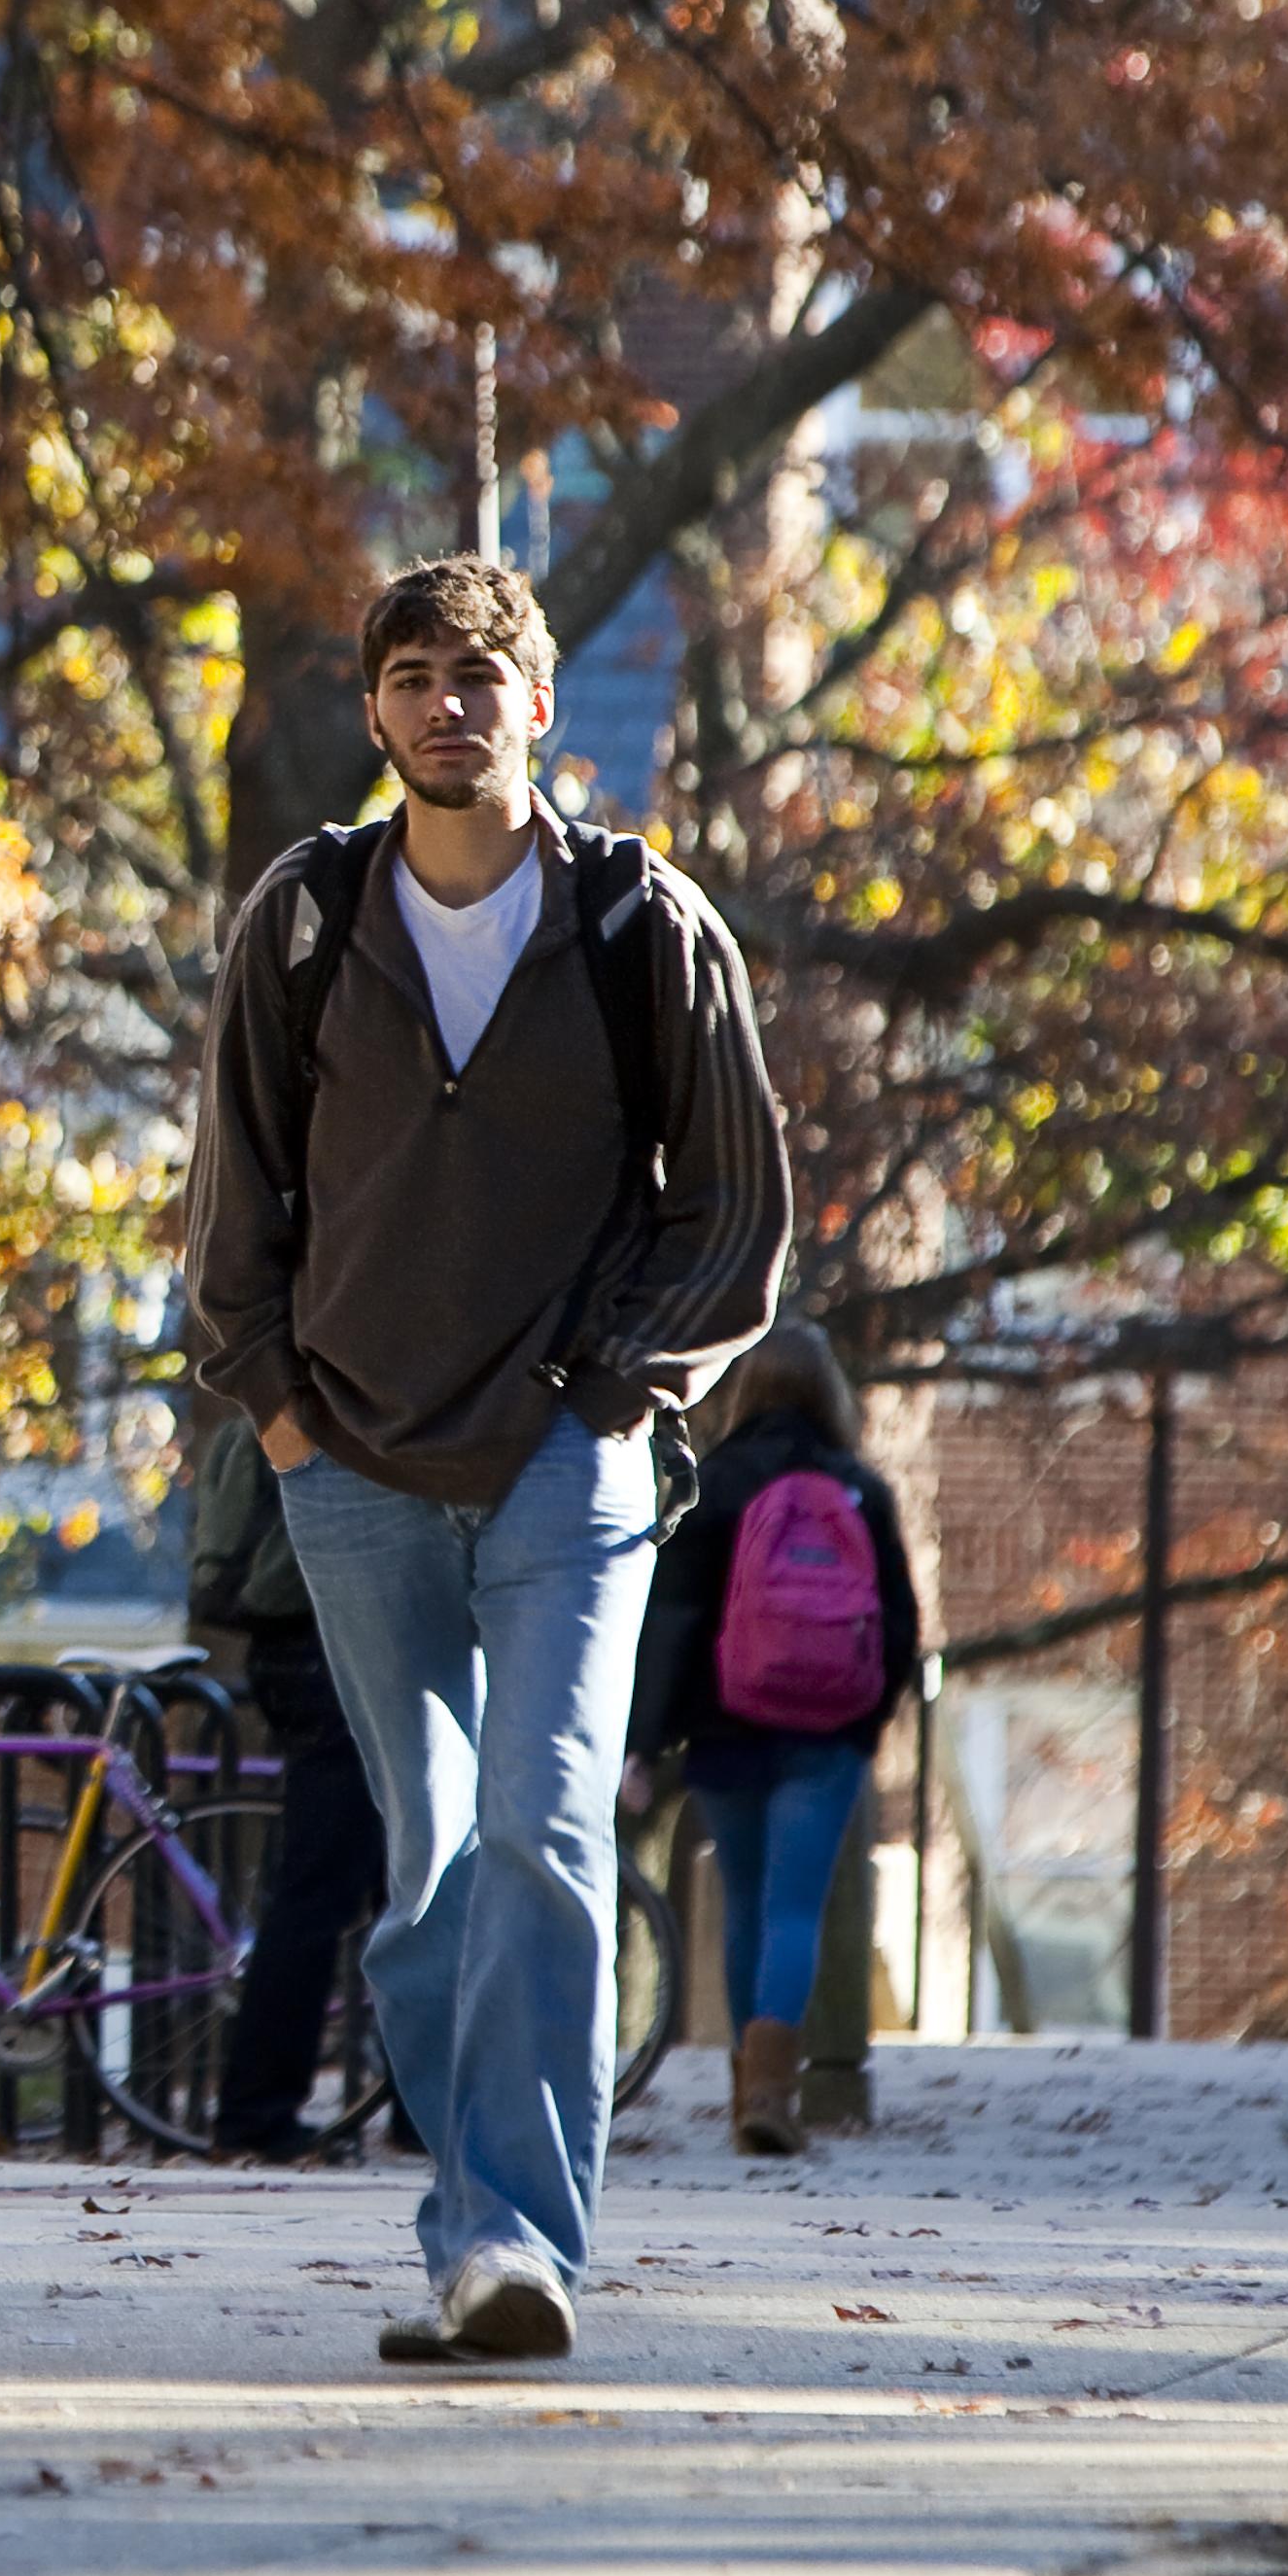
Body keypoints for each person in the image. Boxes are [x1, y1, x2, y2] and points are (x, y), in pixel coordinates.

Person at [183, 557, 790, 2365]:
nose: (447, 704)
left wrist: (617, 1394)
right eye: (412, 677)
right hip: (350, 1463)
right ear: (372, 714)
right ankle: (468, 2217)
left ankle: (507, 2245)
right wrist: (277, 1411)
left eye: (480, 676)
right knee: (429, 1861)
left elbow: (733, 1214)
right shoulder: (301, 920)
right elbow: (229, 1203)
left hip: (561, 1462)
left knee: (539, 1828)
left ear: (538, 707)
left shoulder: (637, 924)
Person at [638, 1321, 924, 2157]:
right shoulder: (858, 1487)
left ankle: (743, 2095)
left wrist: (654, 1735)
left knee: (744, 1900)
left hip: (728, 1727)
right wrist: (866, 1723)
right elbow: (901, 1623)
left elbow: (677, 1618)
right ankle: (775, 2092)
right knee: (795, 1907)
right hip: (826, 1730)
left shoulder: (715, 1483)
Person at [183, 1400, 387, 2167]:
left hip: (282, 1651)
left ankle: (415, 2101)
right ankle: (257, 2111)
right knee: (320, 1892)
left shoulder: (263, 1400)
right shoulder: (345, 1403)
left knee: (381, 1879)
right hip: (329, 1646)